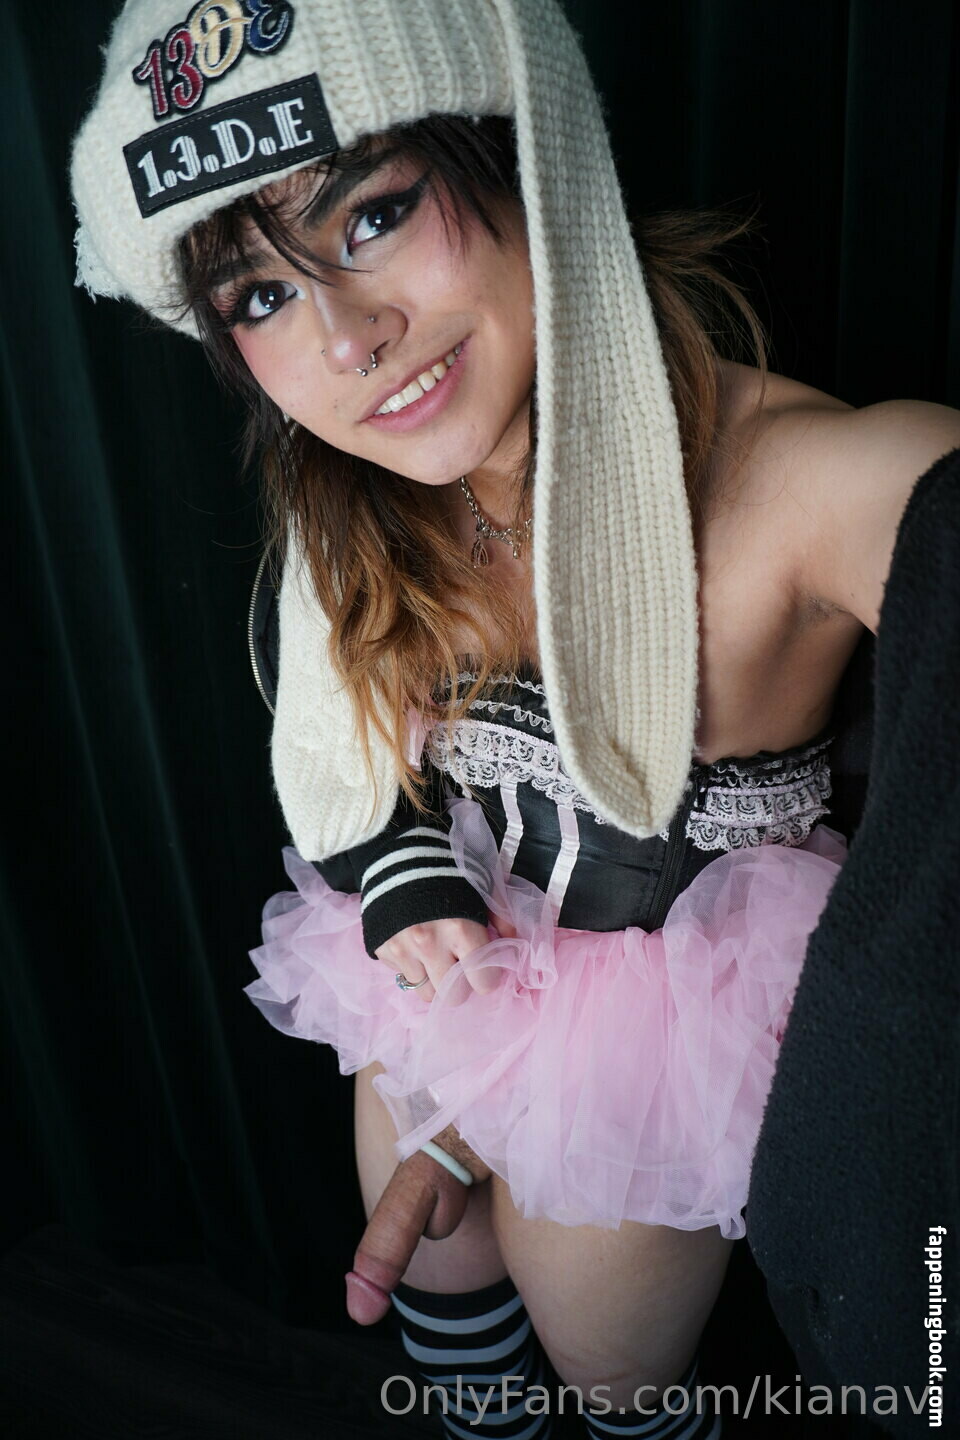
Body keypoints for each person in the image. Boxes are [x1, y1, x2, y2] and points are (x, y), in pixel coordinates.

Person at [70, 2, 960, 1437]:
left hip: (662, 1046)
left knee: (610, 1362)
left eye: (373, 215)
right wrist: (409, 888)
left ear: (524, 150)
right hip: (441, 983)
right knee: (439, 1303)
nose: (349, 339)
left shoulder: (796, 482)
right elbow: (343, 755)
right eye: (260, 297)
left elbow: (916, 494)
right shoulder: (354, 519)